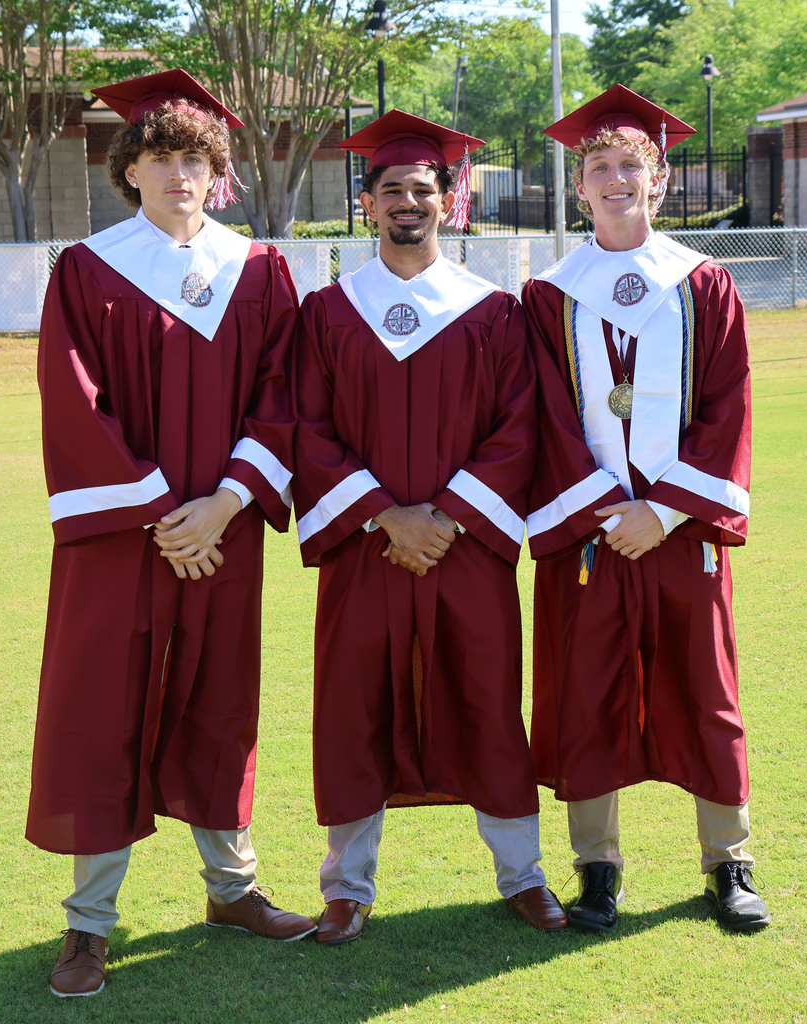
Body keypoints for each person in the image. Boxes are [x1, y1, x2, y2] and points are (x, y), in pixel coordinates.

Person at [27, 69, 316, 999]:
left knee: (218, 704)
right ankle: (89, 924)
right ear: (131, 171)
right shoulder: (88, 269)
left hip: (223, 534)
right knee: (102, 711)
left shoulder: (260, 271)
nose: (177, 174)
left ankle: (232, 889)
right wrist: (161, 511)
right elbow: (75, 403)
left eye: (194, 158)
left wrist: (224, 505)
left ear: (216, 171)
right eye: (159, 158)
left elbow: (287, 400)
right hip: (124, 539)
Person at [292, 109, 567, 944]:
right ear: (366, 203)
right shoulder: (328, 313)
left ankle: (523, 875)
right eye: (390, 190)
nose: (407, 201)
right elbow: (306, 426)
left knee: (487, 698)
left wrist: (442, 518)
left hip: (463, 549)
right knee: (352, 705)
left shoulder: (493, 312)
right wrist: (384, 515)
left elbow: (519, 428)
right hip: (365, 551)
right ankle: (347, 887)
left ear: (448, 201)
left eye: (422, 188)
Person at [522, 84, 771, 933]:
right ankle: (597, 868)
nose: (615, 178)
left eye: (631, 164)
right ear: (578, 186)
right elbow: (543, 420)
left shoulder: (704, 285)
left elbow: (726, 408)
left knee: (706, 691)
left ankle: (727, 862)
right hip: (592, 537)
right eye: (598, 166)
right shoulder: (547, 297)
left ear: (658, 181)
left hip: (681, 532)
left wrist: (660, 514)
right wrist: (607, 512)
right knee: (585, 690)